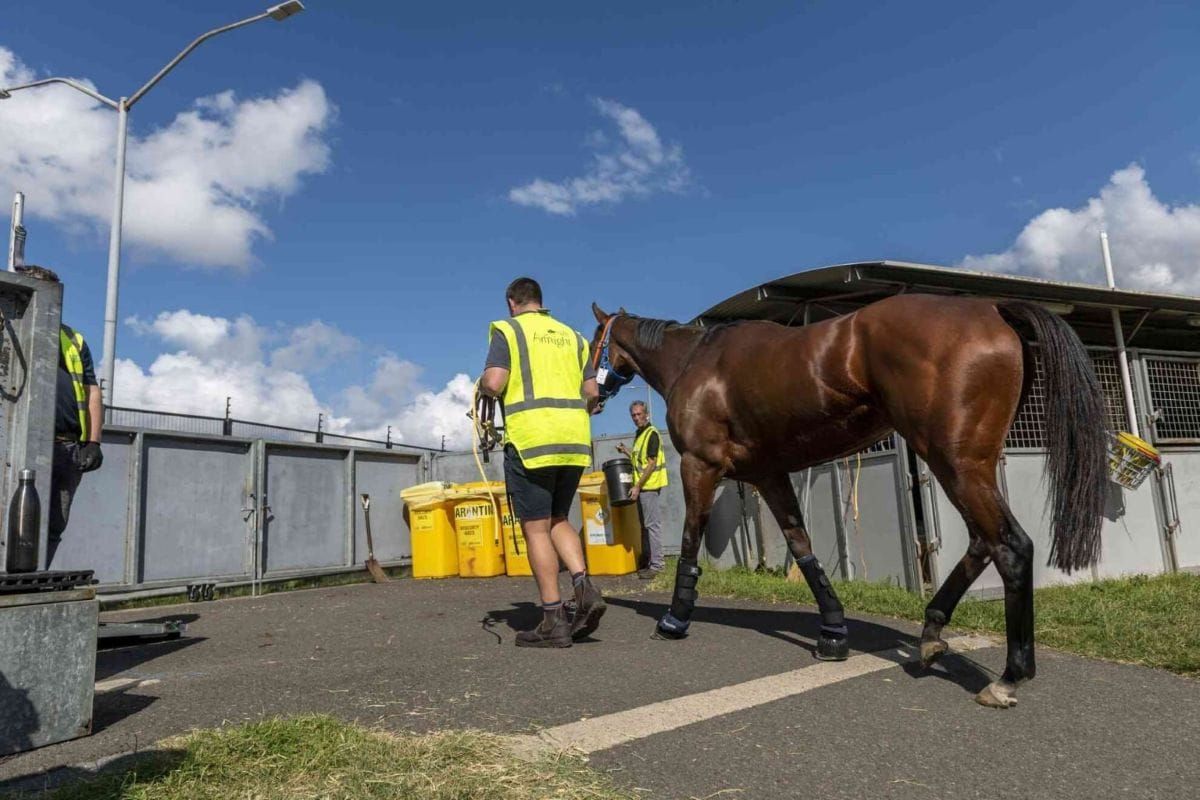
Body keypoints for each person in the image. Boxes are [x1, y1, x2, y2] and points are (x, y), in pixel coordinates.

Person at [479, 277, 605, 647]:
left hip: (533, 439)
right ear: (540, 300)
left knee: (535, 528)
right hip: (573, 441)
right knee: (558, 519)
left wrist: (483, 385)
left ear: (510, 302)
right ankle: (583, 588)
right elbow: (592, 394)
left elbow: (496, 382)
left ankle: (552, 619)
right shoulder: (574, 337)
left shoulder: (508, 330)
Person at [15, 265, 104, 567]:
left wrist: (93, 441)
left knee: (54, 523)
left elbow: (92, 390)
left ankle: (32, 583)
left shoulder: (73, 339)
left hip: (66, 446)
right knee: (12, 519)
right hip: (18, 443)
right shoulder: (9, 329)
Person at [616, 400, 668, 579]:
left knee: (652, 526)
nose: (636, 418)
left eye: (639, 414)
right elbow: (640, 460)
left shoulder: (651, 434)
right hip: (642, 488)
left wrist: (638, 486)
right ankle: (648, 562)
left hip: (649, 487)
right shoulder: (640, 435)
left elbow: (651, 464)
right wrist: (625, 451)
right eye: (634, 415)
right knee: (646, 526)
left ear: (647, 414)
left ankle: (658, 565)